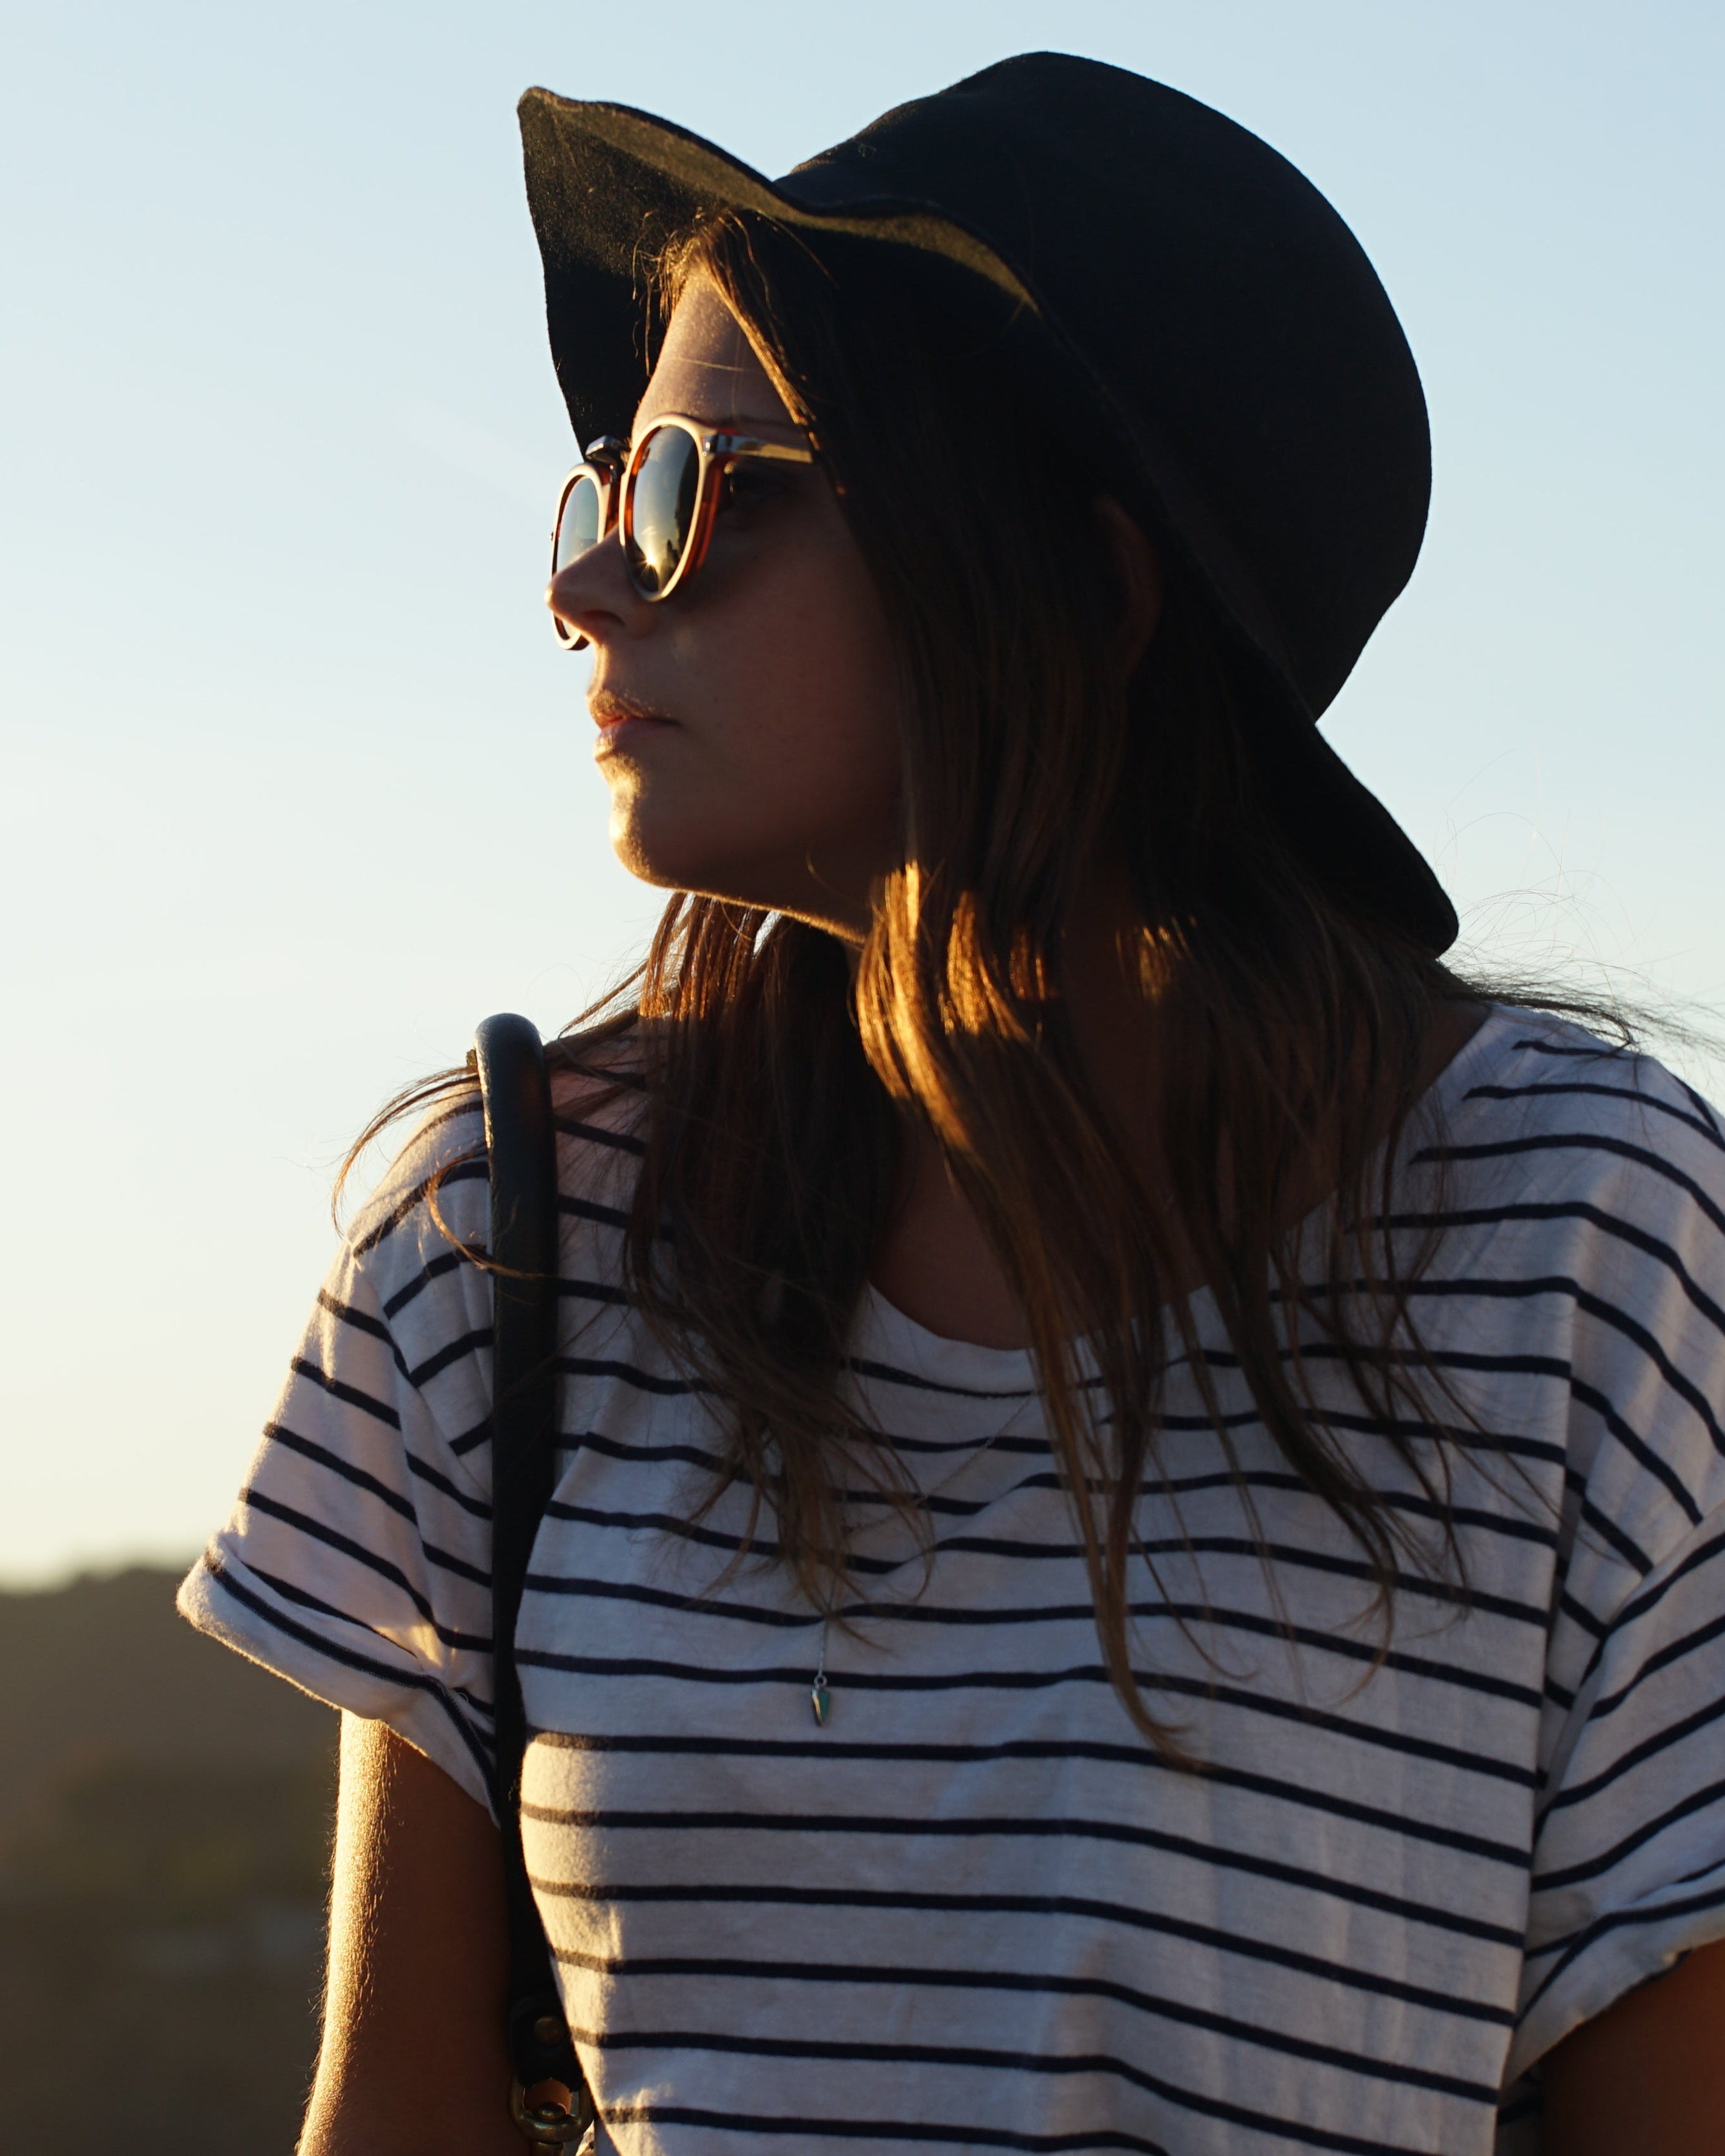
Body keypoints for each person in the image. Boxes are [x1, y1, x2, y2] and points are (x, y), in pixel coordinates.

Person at [179, 52, 1725, 2156]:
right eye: (604, 488)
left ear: (1087, 591)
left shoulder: (1581, 1244)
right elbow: (397, 2117)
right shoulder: (512, 1231)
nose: (591, 584)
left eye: (703, 492)